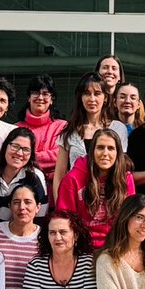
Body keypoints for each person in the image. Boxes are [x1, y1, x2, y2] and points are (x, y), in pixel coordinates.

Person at [53, 73, 129, 201]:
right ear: (80, 97)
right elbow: (59, 175)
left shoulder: (118, 128)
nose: (92, 99)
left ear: (105, 97)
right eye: (87, 93)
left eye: (97, 93)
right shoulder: (69, 131)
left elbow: (121, 170)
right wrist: (60, 209)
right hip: (75, 199)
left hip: (108, 200)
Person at [56, 127, 135, 248]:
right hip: (82, 246)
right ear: (92, 151)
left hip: (115, 245)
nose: (105, 153)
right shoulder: (72, 179)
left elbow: (129, 217)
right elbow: (65, 219)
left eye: (111, 148)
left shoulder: (125, 178)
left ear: (118, 153)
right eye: (100, 147)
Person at [15, 74, 68, 196]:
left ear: (52, 99)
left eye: (45, 94)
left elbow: (59, 156)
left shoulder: (63, 126)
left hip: (54, 194)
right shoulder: (15, 128)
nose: (40, 97)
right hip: (22, 195)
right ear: (28, 97)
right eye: (35, 93)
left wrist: (27, 158)